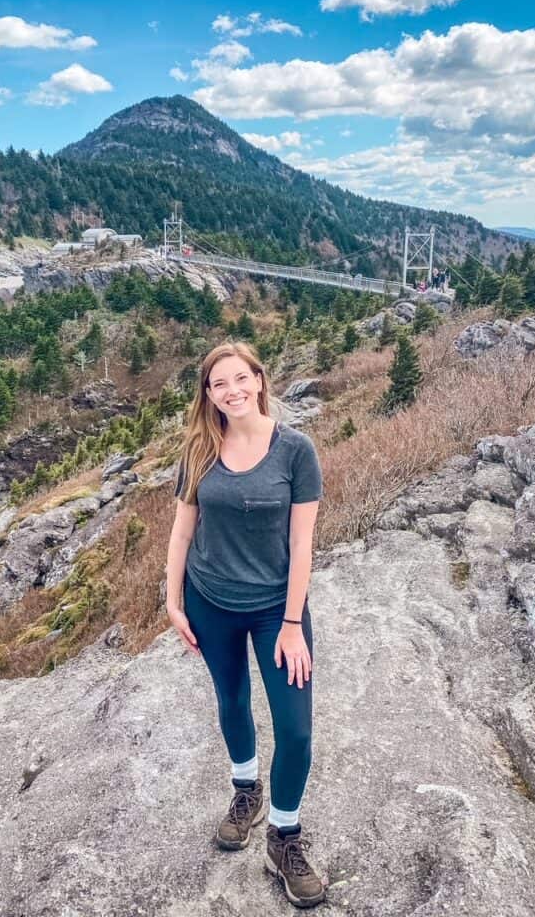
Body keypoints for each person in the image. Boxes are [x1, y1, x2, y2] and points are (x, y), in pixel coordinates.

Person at [166, 341, 326, 909]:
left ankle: (284, 836)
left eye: (240, 379)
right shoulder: (199, 449)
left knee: (297, 730)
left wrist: (290, 622)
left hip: (274, 609)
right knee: (231, 701)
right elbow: (183, 530)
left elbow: (302, 543)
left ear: (259, 380)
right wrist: (173, 599)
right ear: (207, 395)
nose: (231, 391)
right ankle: (245, 791)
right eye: (218, 384)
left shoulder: (295, 451)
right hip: (211, 600)